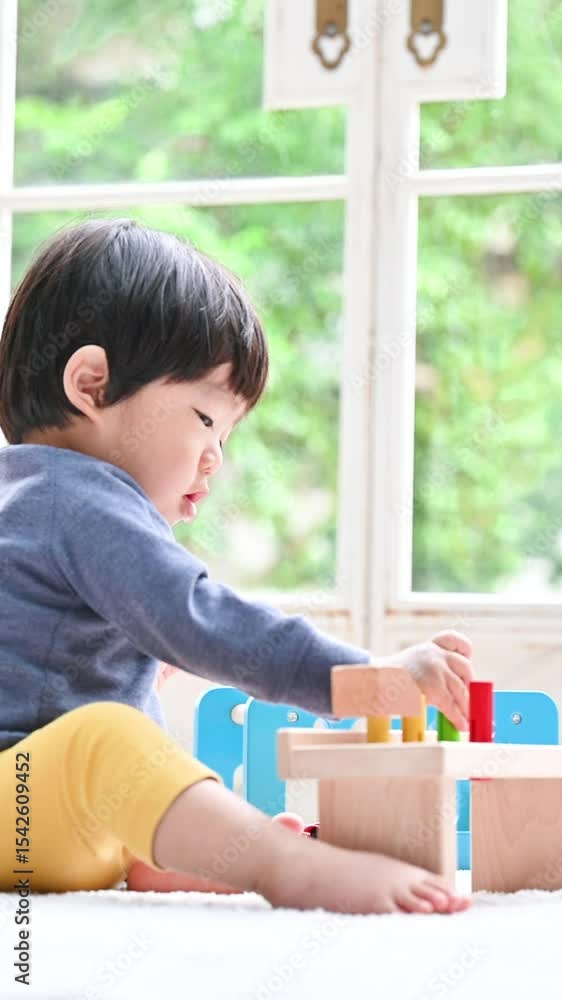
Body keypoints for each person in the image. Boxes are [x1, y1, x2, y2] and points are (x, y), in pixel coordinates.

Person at [0, 217, 472, 915]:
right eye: (205, 420)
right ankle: (288, 867)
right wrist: (368, 680)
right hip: (21, 808)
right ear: (92, 385)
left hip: (44, 822)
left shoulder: (28, 495)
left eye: (226, 434)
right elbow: (208, 621)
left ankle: (159, 855)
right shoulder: (78, 498)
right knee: (108, 736)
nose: (215, 457)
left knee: (123, 729)